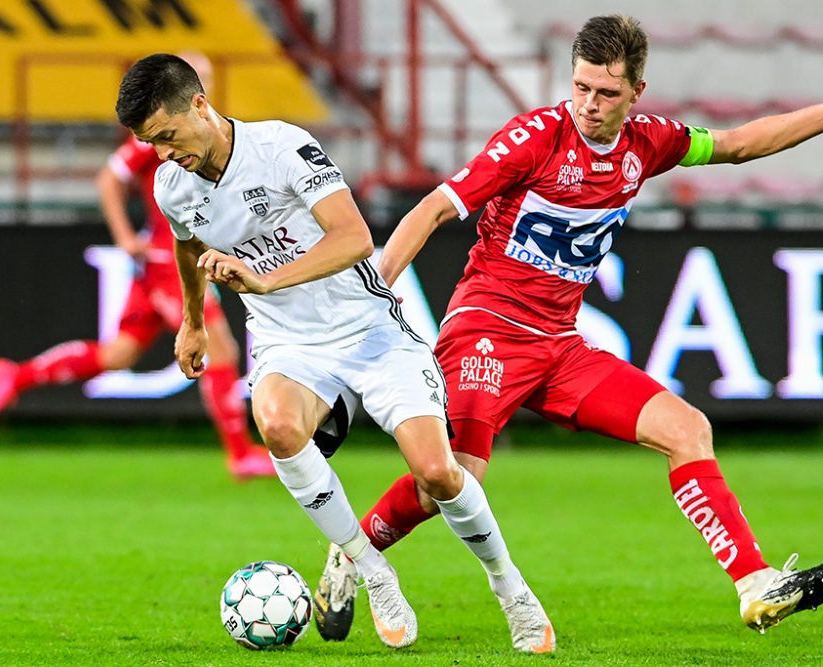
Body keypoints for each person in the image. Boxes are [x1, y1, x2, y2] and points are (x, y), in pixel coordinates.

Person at [316, 14, 823, 640]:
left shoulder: (648, 143)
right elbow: (433, 207)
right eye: (581, 88)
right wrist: (374, 291)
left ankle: (754, 585)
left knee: (687, 429)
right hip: (488, 326)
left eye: (607, 93)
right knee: (452, 484)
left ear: (636, 92)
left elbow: (736, 145)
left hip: (561, 345)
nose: (590, 106)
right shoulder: (533, 138)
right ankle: (351, 555)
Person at [113, 53, 554, 652]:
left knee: (437, 472)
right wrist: (193, 321)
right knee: (276, 427)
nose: (163, 154)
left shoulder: (281, 148)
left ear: (199, 104)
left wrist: (266, 279)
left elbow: (355, 238)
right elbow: (187, 245)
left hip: (370, 328)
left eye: (166, 136)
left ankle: (512, 591)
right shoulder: (173, 186)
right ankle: (374, 572)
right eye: (149, 144)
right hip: (288, 343)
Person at [0, 52, 274, 481]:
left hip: (166, 258)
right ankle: (240, 454)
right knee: (221, 348)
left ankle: (16, 375)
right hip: (168, 259)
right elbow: (109, 180)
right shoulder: (160, 133)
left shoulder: (200, 129)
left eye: (207, 77)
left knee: (118, 354)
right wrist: (124, 236)